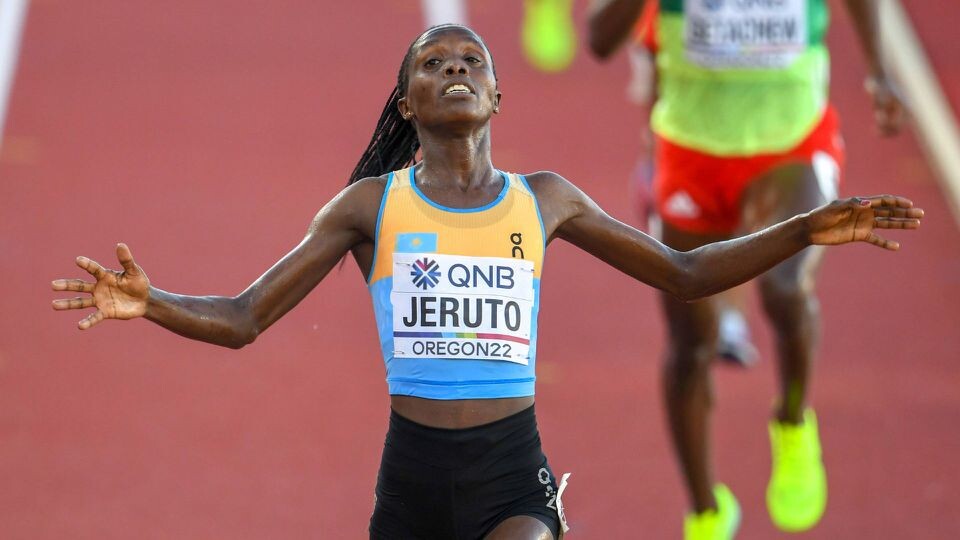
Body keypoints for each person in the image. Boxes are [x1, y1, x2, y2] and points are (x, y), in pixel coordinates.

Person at [51, 24, 920, 540]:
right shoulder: (368, 207)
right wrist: (151, 302)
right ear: (407, 105)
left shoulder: (545, 201)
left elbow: (686, 274)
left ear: (498, 97)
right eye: (434, 66)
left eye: (471, 62)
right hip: (411, 479)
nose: (456, 70)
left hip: (512, 473)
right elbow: (245, 317)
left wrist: (805, 227)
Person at [588, 1, 906, 538]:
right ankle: (706, 511)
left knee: (785, 287)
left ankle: (792, 420)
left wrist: (879, 68)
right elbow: (600, 40)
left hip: (792, 143)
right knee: (691, 340)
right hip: (691, 152)